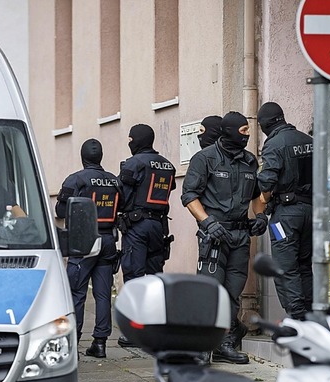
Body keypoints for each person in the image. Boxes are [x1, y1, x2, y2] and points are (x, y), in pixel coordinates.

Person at [181, 111, 267, 364]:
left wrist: (260, 216)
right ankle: (201, 346)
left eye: (248, 132)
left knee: (232, 291)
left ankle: (225, 344)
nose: (247, 136)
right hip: (214, 237)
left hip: (241, 236)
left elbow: (257, 196)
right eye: (243, 132)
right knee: (210, 290)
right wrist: (206, 221)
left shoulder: (250, 161)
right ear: (228, 131)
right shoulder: (205, 159)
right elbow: (189, 196)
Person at [55, 138, 122, 358]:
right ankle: (100, 343)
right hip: (108, 241)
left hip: (83, 243)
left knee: (77, 292)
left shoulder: (76, 179)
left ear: (83, 157)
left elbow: (61, 210)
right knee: (103, 294)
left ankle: (72, 342)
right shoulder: (113, 181)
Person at [116, 123, 176, 348]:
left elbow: (123, 197)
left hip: (137, 226)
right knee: (155, 279)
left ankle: (134, 332)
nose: (129, 143)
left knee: (133, 277)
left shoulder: (133, 164)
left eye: (131, 139)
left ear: (138, 140)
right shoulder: (167, 166)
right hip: (159, 227)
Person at [256, 102, 313, 320]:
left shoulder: (274, 145)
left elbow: (267, 182)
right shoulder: (308, 140)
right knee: (305, 265)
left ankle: (297, 316)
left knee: (284, 266)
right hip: (310, 212)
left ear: (265, 124)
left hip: (284, 218)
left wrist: (263, 201)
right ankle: (310, 315)